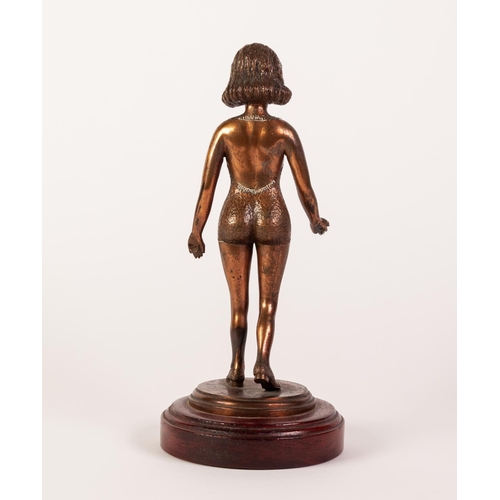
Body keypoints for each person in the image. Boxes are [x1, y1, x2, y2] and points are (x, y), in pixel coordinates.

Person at [188, 43, 329, 390]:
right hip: (272, 213)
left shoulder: (226, 131)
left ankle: (236, 365)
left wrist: (196, 230)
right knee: (269, 302)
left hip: (234, 214)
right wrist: (315, 218)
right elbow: (305, 189)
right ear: (274, 78)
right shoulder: (283, 132)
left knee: (238, 304)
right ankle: (262, 361)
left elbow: (207, 188)